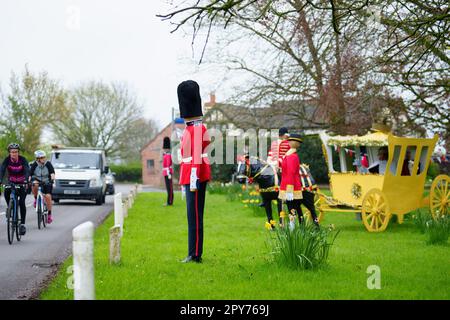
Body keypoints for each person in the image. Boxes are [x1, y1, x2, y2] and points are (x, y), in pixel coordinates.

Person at [177, 80, 211, 263]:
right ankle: (193, 252)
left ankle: (195, 254)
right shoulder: (192, 128)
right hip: (191, 173)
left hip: (194, 176)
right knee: (192, 216)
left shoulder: (196, 128)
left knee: (195, 216)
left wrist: (192, 179)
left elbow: (196, 157)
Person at [278, 133, 318, 226]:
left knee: (292, 209)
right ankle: (300, 226)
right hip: (286, 184)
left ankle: (293, 229)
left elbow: (292, 173)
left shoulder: (292, 156)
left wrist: (289, 189)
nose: (289, 142)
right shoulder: (288, 155)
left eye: (291, 141)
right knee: (295, 208)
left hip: (291, 186)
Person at [0, 143, 30, 235]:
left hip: (22, 182)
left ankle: (22, 224)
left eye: (16, 152)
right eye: (12, 152)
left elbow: (27, 170)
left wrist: (26, 180)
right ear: (9, 153)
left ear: (18, 152)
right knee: (6, 192)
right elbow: (2, 169)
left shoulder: (22, 160)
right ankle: (10, 207)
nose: (14, 154)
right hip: (11, 182)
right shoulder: (7, 160)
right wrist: (0, 180)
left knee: (21, 202)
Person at [30, 150, 55, 223]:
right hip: (37, 180)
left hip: (46, 181)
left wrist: (52, 180)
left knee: (48, 196)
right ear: (37, 159)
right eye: (41, 158)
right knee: (34, 184)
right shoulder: (35, 164)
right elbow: (30, 174)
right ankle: (35, 199)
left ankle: (49, 214)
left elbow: (52, 173)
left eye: (44, 157)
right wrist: (28, 180)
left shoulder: (48, 164)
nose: (43, 159)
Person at [162, 137, 174, 206]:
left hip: (168, 172)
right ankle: (169, 201)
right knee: (168, 188)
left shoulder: (168, 155)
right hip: (166, 172)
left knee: (170, 188)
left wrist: (169, 173)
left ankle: (170, 202)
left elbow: (169, 164)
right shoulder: (166, 154)